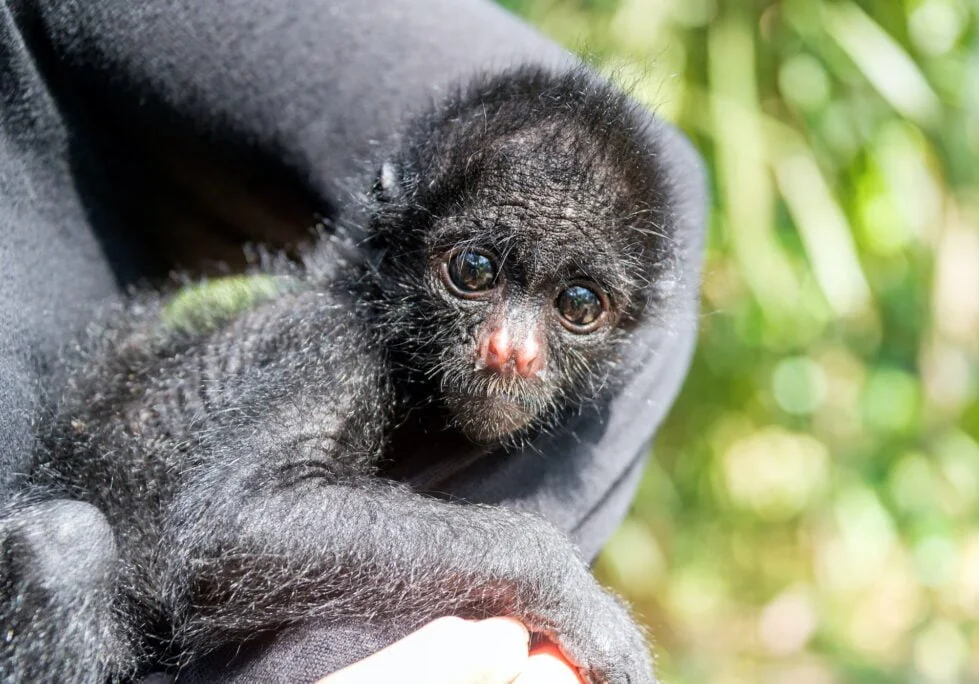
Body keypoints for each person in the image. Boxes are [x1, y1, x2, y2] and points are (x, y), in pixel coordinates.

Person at [0, 0, 705, 680]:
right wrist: (525, 560)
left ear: (635, 315)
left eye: (579, 305)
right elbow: (236, 531)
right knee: (67, 548)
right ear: (393, 239)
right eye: (473, 270)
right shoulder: (333, 337)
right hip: (80, 589)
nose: (512, 346)